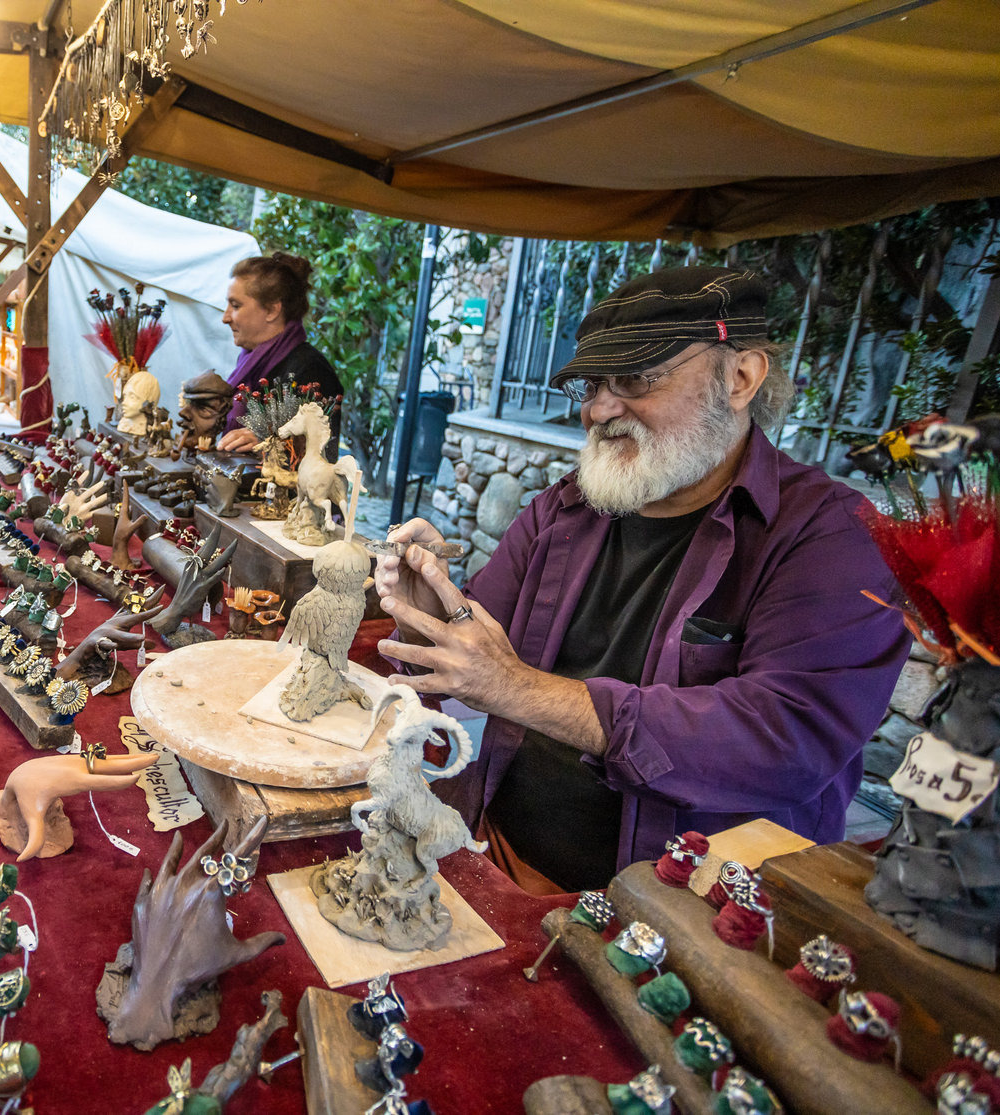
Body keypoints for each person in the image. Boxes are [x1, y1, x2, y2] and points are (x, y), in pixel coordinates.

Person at [374, 266, 911, 894]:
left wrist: (518, 689)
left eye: (634, 379)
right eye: (591, 384)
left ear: (739, 379)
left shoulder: (831, 537)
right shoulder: (566, 508)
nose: (600, 409)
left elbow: (786, 738)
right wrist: (426, 615)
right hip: (502, 854)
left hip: (685, 916)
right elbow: (472, 657)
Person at [215, 251, 344, 453]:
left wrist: (268, 439)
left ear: (272, 310)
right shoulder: (251, 364)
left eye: (236, 305)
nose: (225, 317)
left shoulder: (311, 371)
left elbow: (322, 452)